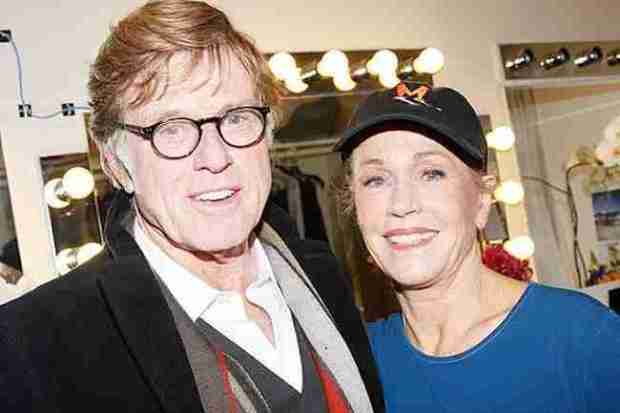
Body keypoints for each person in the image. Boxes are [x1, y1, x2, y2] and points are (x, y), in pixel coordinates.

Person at [0, 2, 384, 412]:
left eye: (235, 118)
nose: (215, 158)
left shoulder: (322, 276)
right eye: (171, 129)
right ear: (115, 163)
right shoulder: (35, 346)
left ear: (268, 135)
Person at [334, 81, 620, 412]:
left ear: (482, 201)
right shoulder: (354, 366)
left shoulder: (584, 339)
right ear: (355, 208)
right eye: (376, 180)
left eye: (431, 173)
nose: (402, 204)